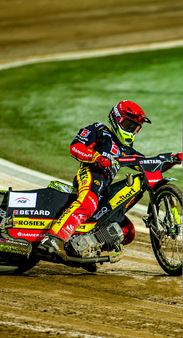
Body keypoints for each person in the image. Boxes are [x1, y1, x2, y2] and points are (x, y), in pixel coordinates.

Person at [37, 100, 150, 261]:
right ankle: (53, 239)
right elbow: (75, 147)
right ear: (117, 119)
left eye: (135, 128)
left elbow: (145, 164)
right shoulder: (99, 130)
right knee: (88, 203)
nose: (131, 130)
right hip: (90, 174)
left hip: (104, 188)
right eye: (128, 124)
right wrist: (95, 157)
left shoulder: (126, 150)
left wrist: (172, 159)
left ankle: (86, 251)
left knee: (127, 230)